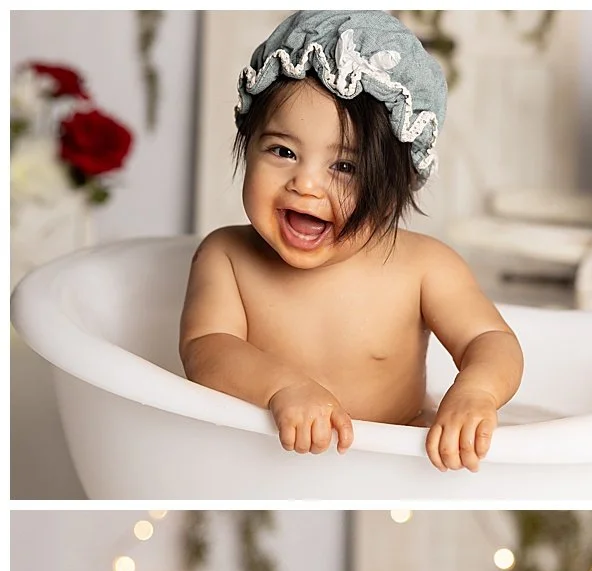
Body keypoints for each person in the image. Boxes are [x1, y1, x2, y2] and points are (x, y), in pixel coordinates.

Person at [180, 10, 522, 470]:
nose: (306, 184)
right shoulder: (227, 257)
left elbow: (490, 338)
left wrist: (476, 392)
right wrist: (282, 388)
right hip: (265, 461)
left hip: (390, 463)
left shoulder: (424, 267)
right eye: (283, 151)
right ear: (248, 141)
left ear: (398, 185)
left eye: (345, 167)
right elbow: (206, 349)